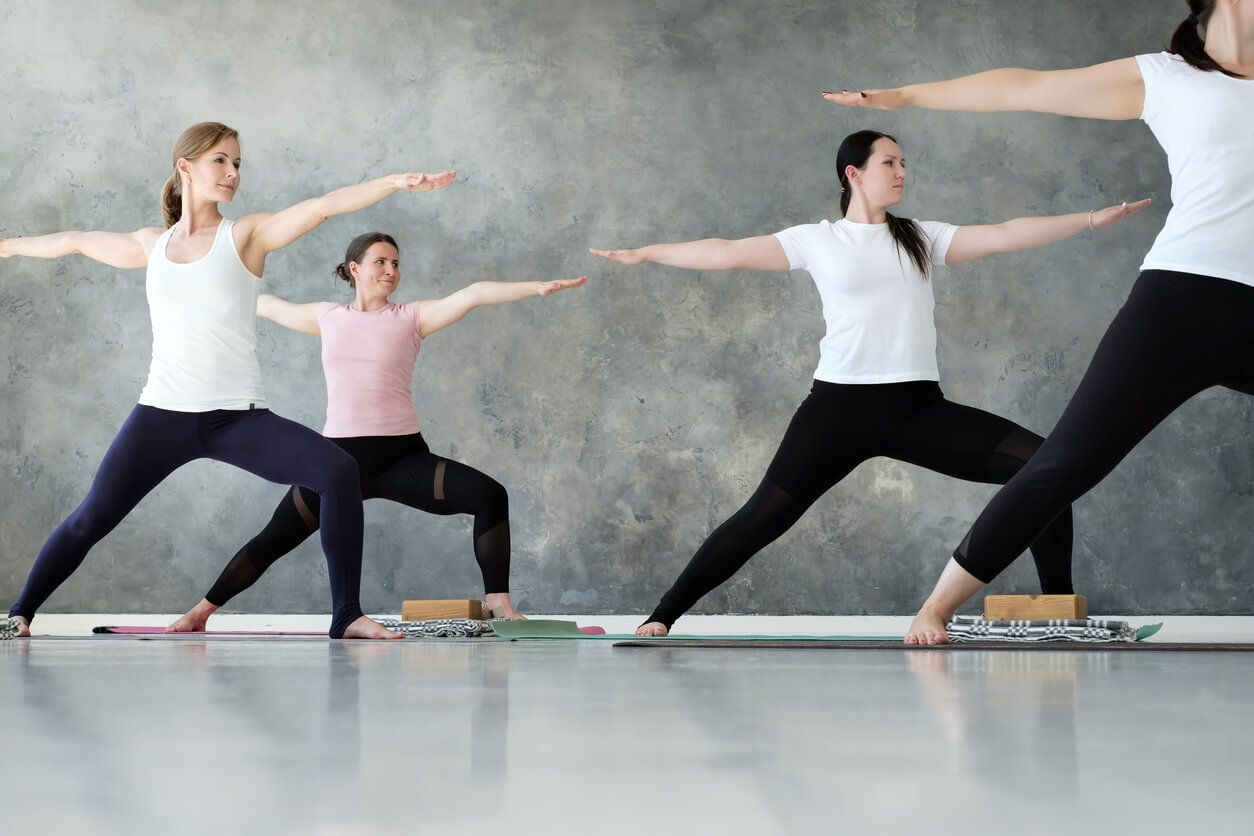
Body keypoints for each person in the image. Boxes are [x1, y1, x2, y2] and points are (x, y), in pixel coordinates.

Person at [593, 129, 1148, 637]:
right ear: (852, 173)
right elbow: (726, 251)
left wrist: (1092, 218)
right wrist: (647, 254)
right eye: (889, 162)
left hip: (917, 407)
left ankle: (1059, 613)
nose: (902, 171)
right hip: (839, 410)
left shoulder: (920, 238)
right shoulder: (818, 240)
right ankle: (661, 617)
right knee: (762, 517)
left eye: (904, 162)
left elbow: (1004, 235)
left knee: (1045, 470)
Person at [824, 0, 1253, 644]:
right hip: (1181, 302)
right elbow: (1025, 87)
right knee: (1065, 464)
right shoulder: (1166, 76)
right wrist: (907, 97)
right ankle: (937, 608)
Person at [0, 121, 455, 639]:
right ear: (185, 167)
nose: (233, 172)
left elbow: (324, 205)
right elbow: (75, 241)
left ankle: (346, 615)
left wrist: (393, 183)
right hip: (161, 417)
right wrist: (7, 246)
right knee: (91, 519)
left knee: (337, 470)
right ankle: (20, 614)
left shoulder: (245, 237)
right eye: (221, 160)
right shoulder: (152, 246)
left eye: (238, 163)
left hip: (236, 419)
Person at [168, 232, 586, 632]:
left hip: (403, 458)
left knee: (490, 496)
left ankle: (500, 604)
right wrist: (197, 290)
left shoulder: (411, 318)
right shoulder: (327, 317)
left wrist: (536, 287)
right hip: (335, 463)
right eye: (380, 262)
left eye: (396, 263)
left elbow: (472, 293)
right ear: (355, 268)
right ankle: (201, 612)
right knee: (273, 539)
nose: (391, 270)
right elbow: (266, 303)